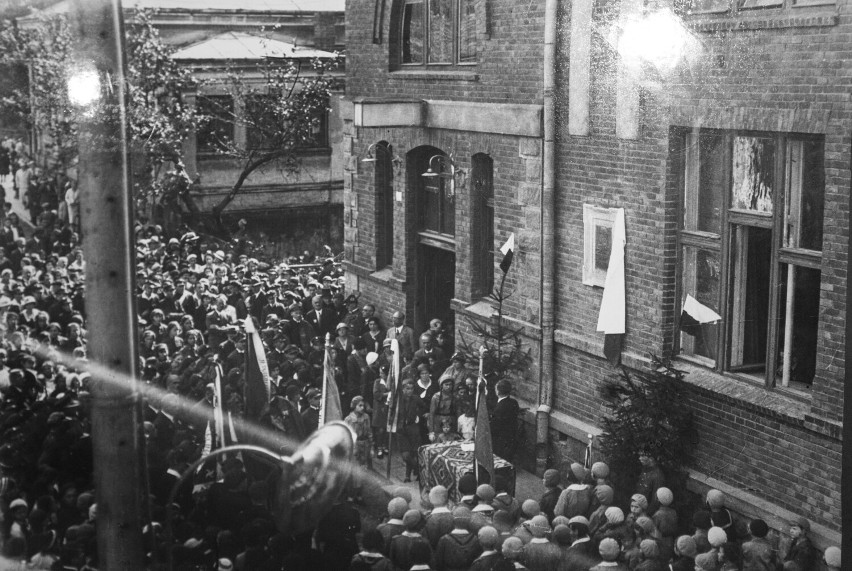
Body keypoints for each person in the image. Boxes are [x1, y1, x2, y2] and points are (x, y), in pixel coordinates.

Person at [490, 379, 519, 462]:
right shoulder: (514, 402)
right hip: (511, 437)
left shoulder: (500, 408)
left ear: (498, 392)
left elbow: (495, 427)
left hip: (501, 440)